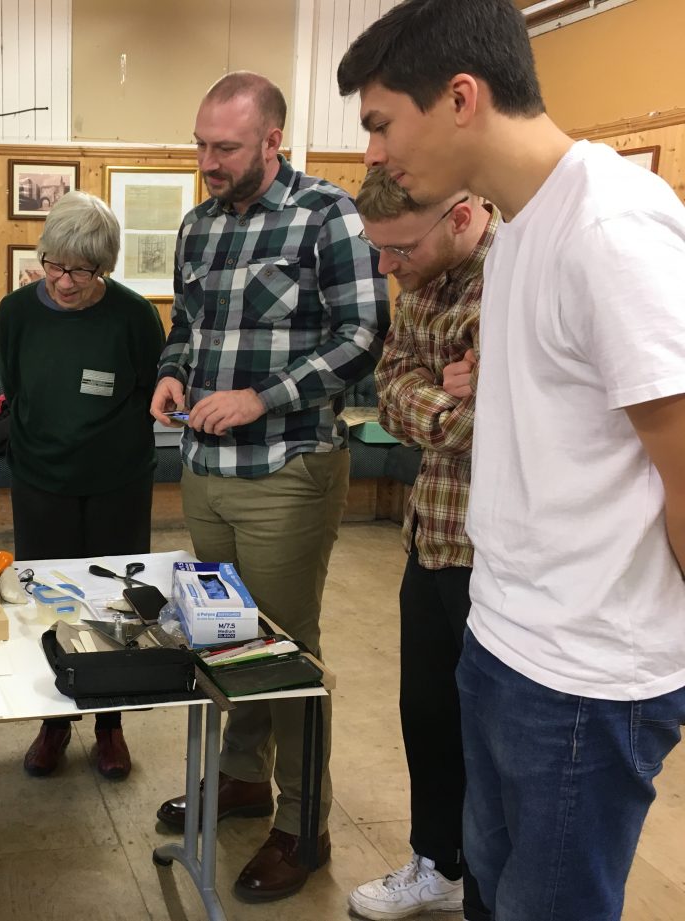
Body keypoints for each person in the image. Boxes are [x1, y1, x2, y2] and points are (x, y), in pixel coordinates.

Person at [338, 2, 685, 919]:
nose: (372, 153)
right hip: (502, 635)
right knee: (492, 891)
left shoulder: (610, 225)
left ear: (460, 97)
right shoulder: (528, 229)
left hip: (584, 674)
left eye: (379, 123)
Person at [150, 71, 389, 902]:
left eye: (225, 148)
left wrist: (262, 396)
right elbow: (186, 323)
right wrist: (174, 372)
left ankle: (304, 825)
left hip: (289, 468)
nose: (208, 162)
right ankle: (243, 779)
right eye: (200, 145)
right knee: (225, 637)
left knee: (287, 650)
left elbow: (365, 335)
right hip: (205, 473)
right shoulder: (199, 224)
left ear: (272, 141)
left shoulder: (328, 214)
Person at [349, 168, 497, 921]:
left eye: (398, 248)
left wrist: (458, 397)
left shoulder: (514, 279)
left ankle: (490, 885)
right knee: (427, 712)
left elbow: (506, 415)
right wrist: (451, 390)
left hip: (496, 555)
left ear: (463, 217)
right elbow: (389, 387)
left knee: (494, 733)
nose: (386, 267)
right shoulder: (421, 286)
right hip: (430, 532)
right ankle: (438, 862)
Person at [0, 191, 164, 781]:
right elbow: (16, 390)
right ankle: (54, 723)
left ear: (106, 268)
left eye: (83, 271)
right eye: (55, 265)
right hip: (40, 481)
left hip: (117, 483)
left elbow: (148, 393)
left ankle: (110, 726)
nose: (65, 282)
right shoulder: (15, 313)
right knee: (48, 606)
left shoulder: (135, 316)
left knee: (113, 608)